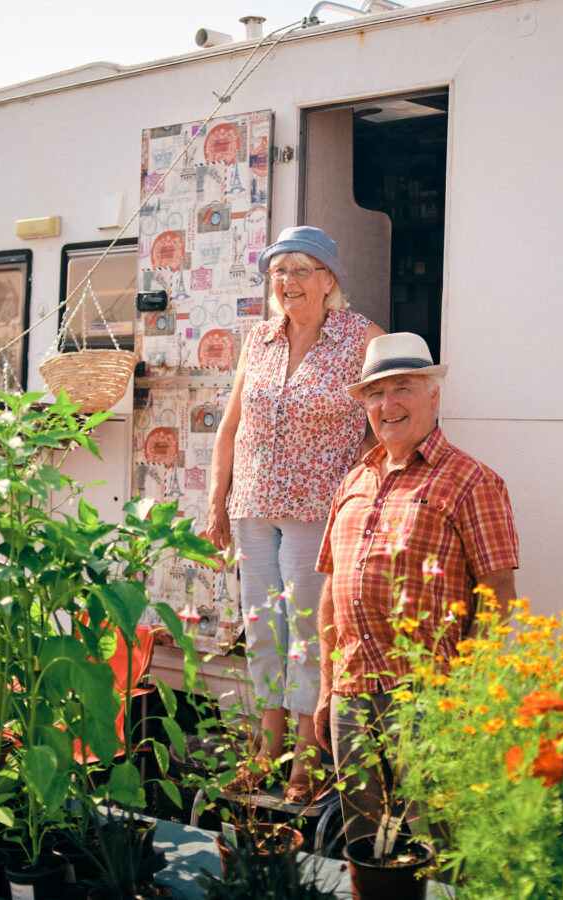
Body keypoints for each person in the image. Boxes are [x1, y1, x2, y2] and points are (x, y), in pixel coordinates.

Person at [312, 331, 520, 844]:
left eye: (402, 387)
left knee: (436, 843)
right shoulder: (354, 480)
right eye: (375, 394)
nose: (388, 404)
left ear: (434, 393)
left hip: (429, 696)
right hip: (351, 692)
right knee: (367, 845)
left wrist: (466, 696)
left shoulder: (472, 481)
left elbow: (497, 594)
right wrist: (324, 690)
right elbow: (331, 589)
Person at [206, 225, 383, 803]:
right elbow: (231, 427)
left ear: (329, 280)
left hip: (316, 508)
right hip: (253, 505)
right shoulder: (258, 339)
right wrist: (216, 504)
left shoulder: (362, 338)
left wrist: (359, 477)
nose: (288, 282)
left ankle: (307, 759)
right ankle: (266, 751)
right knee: (262, 629)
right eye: (279, 271)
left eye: (302, 269)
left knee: (308, 633)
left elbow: (388, 415)